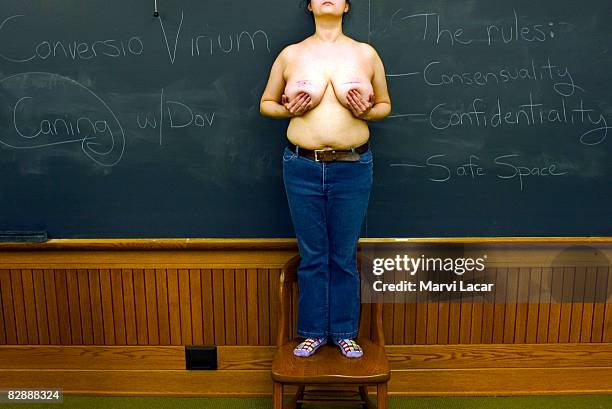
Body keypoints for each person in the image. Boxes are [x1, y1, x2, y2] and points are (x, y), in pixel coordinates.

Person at [259, 0, 391, 358]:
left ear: (347, 6)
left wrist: (367, 110)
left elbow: (385, 105)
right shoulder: (292, 54)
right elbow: (266, 103)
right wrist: (288, 109)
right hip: (301, 166)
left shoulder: (365, 54)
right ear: (310, 6)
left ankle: (345, 331)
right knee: (314, 255)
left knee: (344, 255)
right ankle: (314, 332)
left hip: (352, 166)